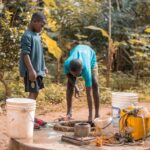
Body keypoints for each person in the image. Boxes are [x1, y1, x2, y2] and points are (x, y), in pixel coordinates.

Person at [19, 12, 48, 129]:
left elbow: (40, 53)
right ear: (34, 21)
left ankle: (32, 116)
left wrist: (44, 66)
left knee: (35, 92)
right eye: (41, 25)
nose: (42, 28)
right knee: (32, 93)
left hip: (38, 71)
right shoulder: (27, 35)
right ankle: (27, 120)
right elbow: (25, 54)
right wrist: (31, 70)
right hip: (31, 72)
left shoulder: (37, 35)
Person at [64, 41, 100, 124]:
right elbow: (68, 75)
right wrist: (75, 85)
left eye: (78, 74)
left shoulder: (86, 69)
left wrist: (90, 116)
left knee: (94, 83)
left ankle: (97, 113)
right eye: (74, 74)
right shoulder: (67, 64)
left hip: (90, 57)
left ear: (81, 70)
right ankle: (69, 113)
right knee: (69, 86)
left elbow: (89, 93)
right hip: (75, 54)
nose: (77, 76)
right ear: (70, 70)